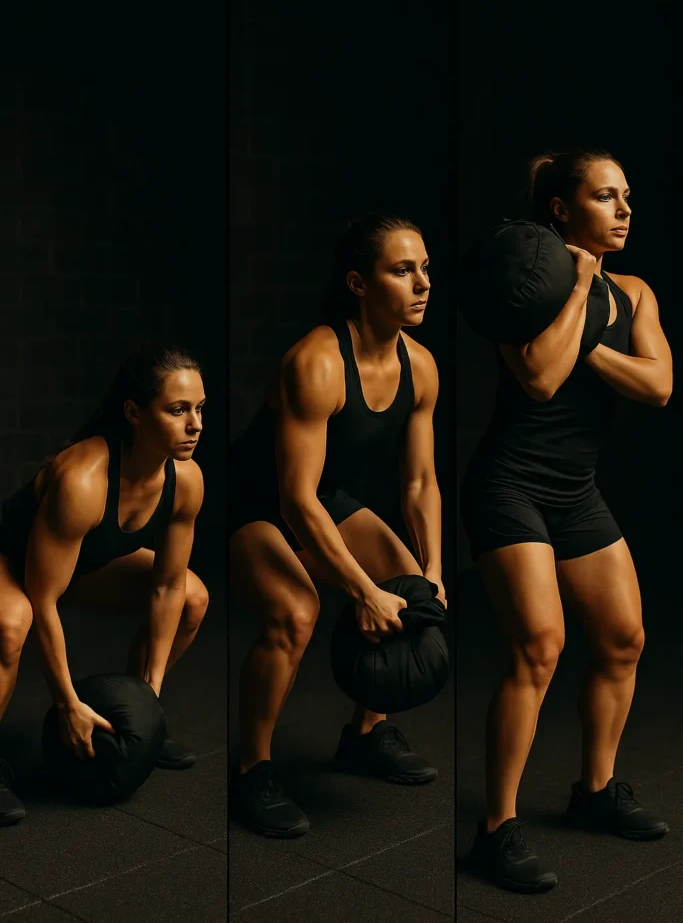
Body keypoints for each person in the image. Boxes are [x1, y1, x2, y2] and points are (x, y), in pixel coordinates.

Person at [461, 149, 673, 893]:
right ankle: (496, 828)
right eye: (604, 197)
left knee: (623, 639)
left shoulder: (636, 292)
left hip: (575, 489)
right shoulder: (518, 283)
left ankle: (592, 792)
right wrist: (578, 284)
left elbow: (657, 386)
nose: (622, 211)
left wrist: (582, 327)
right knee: (540, 647)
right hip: (507, 485)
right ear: (559, 209)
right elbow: (541, 382)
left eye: (626, 197)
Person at [229, 213, 446, 838]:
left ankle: (364, 734)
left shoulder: (422, 366)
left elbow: (419, 483)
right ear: (358, 282)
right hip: (256, 499)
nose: (422, 283)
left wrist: (428, 574)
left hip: (323, 495)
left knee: (407, 582)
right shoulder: (317, 362)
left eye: (425, 268)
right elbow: (295, 500)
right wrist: (360, 592)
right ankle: (253, 769)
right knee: (295, 611)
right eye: (402, 270)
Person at [0, 343, 209, 825]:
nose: (195, 424)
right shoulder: (83, 481)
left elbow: (168, 585)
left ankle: (133, 715)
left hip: (79, 565)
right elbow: (43, 597)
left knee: (194, 598)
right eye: (178, 410)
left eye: (199, 409)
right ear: (134, 413)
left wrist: (148, 704)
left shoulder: (187, 481)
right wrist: (67, 702)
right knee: (13, 624)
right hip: (13, 562)